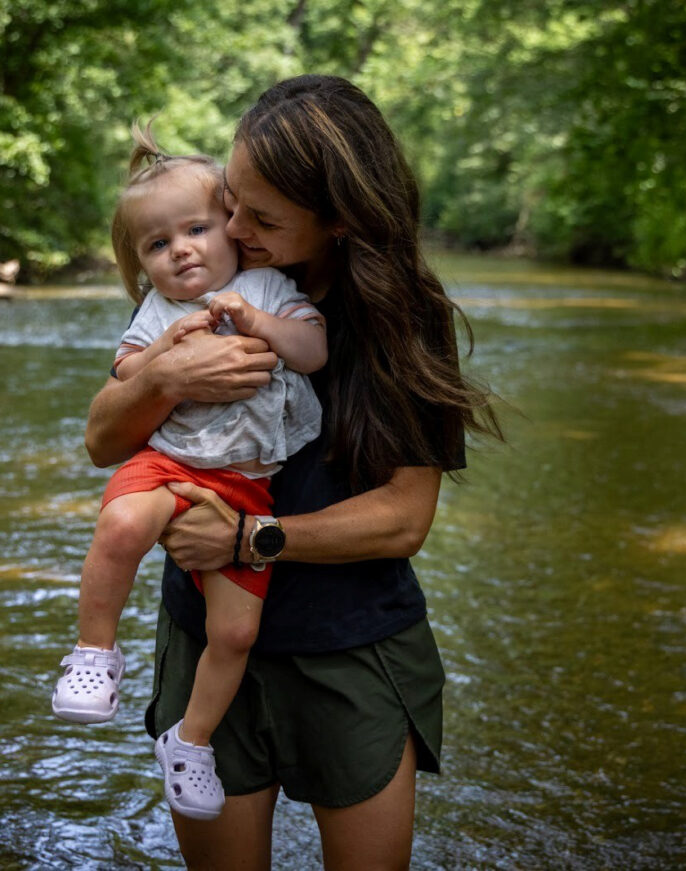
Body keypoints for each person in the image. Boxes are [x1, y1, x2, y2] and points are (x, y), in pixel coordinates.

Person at [83, 75, 501, 869]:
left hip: (352, 645)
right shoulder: (203, 271)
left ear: (340, 219)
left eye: (262, 218)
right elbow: (104, 440)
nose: (233, 227)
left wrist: (247, 537)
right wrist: (166, 379)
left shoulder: (405, 317)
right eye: (232, 201)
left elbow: (404, 518)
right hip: (204, 634)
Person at [53, 124, 328, 822]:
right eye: (157, 244)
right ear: (143, 265)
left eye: (197, 228)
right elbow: (123, 374)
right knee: (120, 522)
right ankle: (93, 651)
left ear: (233, 230)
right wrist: (166, 357)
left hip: (244, 485)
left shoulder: (266, 285)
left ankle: (191, 739)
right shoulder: (158, 310)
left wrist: (259, 324)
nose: (180, 249)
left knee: (235, 631)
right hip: (165, 460)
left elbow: (314, 350)